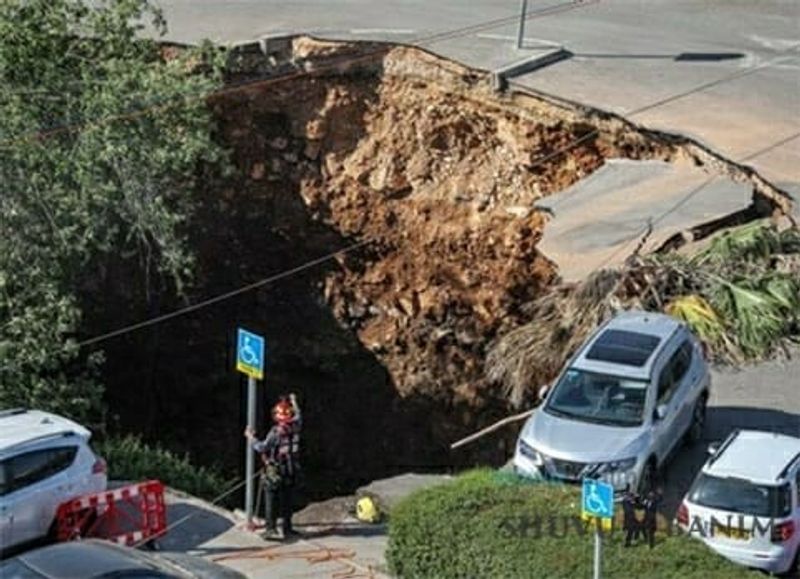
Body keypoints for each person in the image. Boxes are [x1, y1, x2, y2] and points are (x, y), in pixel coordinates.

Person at [244, 393, 302, 540]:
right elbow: (299, 415)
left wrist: (250, 437)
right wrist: (294, 401)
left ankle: (271, 529)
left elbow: (262, 447)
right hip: (292, 468)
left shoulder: (276, 432)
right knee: (287, 500)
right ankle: (287, 529)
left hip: (276, 469)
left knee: (271, 498)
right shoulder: (296, 426)